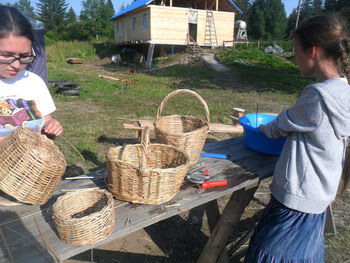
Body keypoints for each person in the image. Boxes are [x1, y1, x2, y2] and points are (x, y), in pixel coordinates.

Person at [245, 14, 350, 262]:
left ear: (312, 51)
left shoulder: (317, 96)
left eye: (296, 51)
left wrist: (263, 129)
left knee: (271, 255)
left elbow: (279, 125)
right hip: (317, 202)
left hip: (296, 204)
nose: (294, 58)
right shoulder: (345, 92)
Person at [0, 5, 62, 140]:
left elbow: (46, 130)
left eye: (24, 56)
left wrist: (51, 127)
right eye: (6, 55)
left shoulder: (34, 82)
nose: (16, 65)